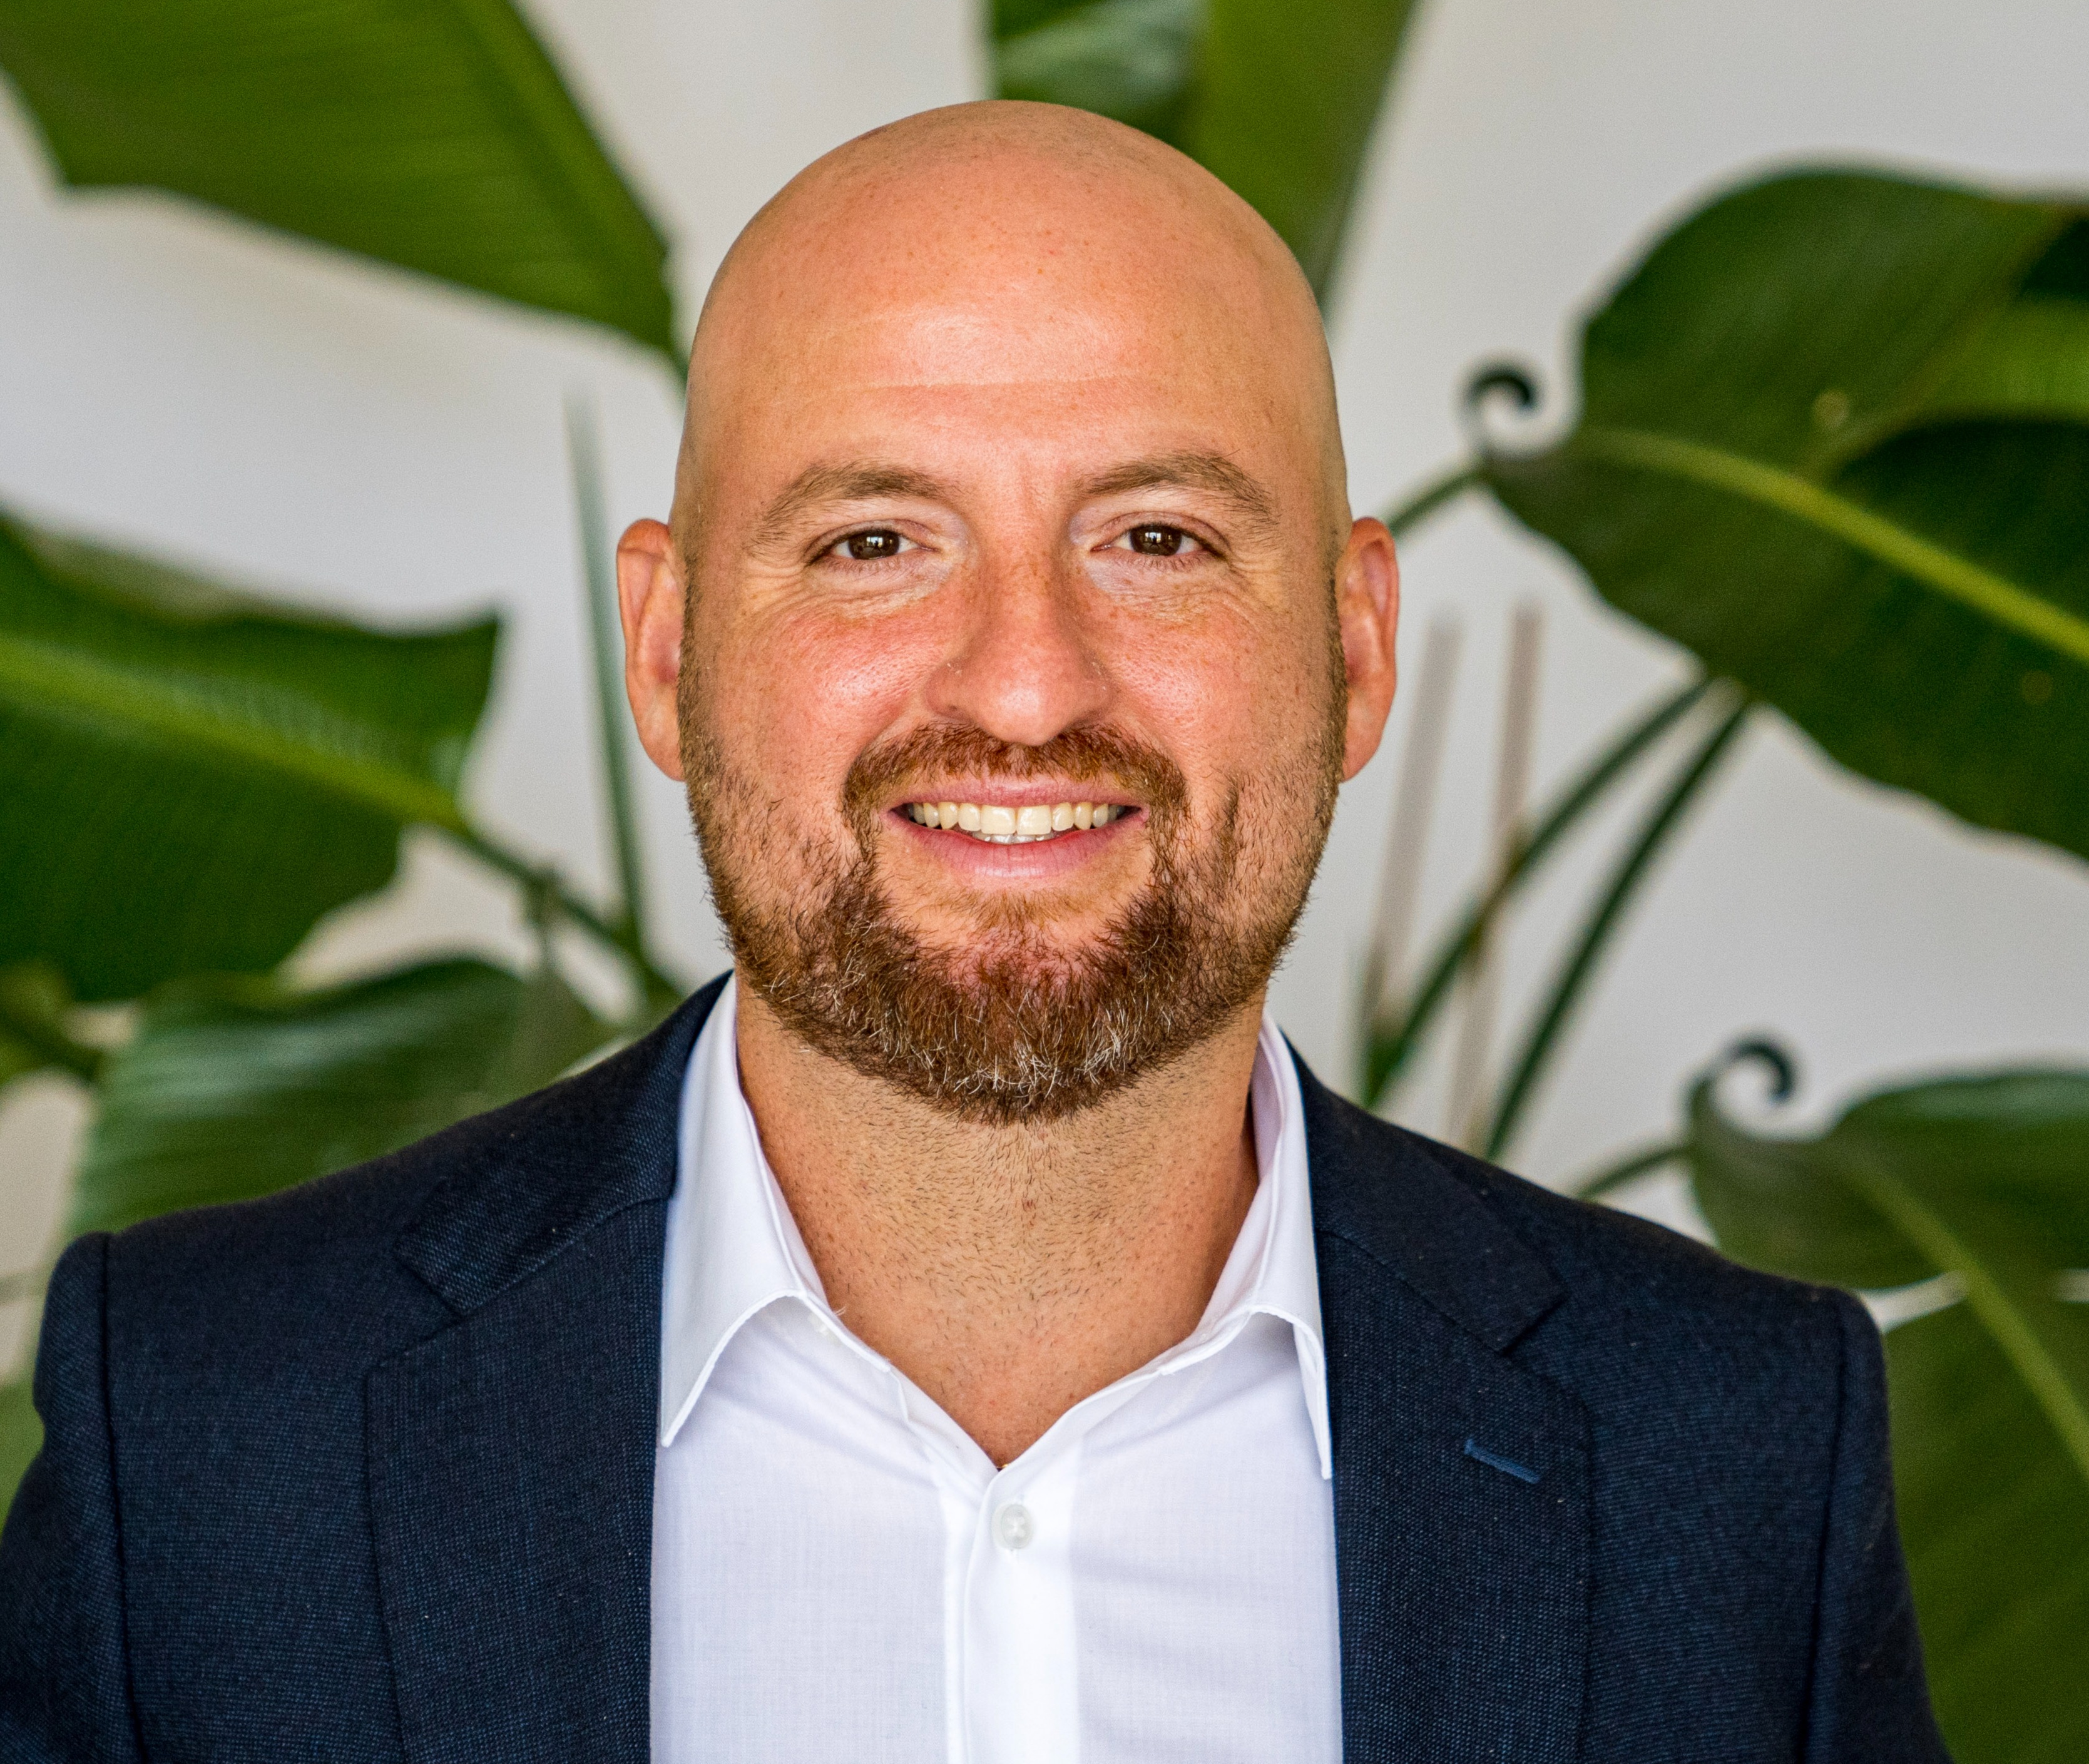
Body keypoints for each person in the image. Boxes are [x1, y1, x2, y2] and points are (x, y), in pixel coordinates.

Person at [0, 103, 1945, 1763]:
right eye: (876, 542)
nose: (1024, 685)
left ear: (1356, 649)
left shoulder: (1735, 1456)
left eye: (1158, 539)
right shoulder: (203, 1431)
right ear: (666, 654)